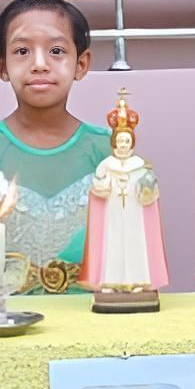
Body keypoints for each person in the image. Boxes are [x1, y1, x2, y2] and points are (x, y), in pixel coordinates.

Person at [0, 0, 110, 294]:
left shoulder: (107, 149)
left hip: (91, 314)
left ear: (81, 64)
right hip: (9, 316)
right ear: (1, 65)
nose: (39, 64)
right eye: (22, 51)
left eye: (56, 51)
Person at [80, 91, 170, 292]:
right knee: (111, 245)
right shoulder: (106, 165)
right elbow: (97, 188)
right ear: (114, 142)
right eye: (120, 141)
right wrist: (102, 187)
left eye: (126, 142)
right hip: (112, 214)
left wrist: (147, 190)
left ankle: (138, 281)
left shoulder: (141, 165)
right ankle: (110, 281)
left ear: (132, 143)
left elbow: (150, 190)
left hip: (134, 214)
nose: (122, 145)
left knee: (135, 245)